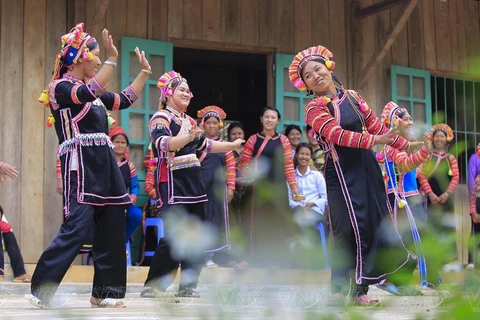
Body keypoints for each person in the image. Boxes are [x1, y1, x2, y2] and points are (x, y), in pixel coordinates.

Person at [28, 23, 151, 308]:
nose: (99, 61)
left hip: (105, 164)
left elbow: (123, 99)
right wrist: (112, 58)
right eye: (96, 57)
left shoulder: (92, 93)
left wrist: (144, 73)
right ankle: (41, 290)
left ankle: (105, 293)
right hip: (79, 164)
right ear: (81, 57)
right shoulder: (60, 87)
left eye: (101, 58)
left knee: (112, 226)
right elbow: (89, 92)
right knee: (77, 226)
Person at [288, 45, 413, 305]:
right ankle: (336, 289)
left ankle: (360, 292)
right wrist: (376, 139)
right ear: (306, 85)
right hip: (340, 173)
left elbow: (375, 125)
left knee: (368, 226)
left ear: (328, 67)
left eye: (318, 68)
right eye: (308, 76)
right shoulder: (314, 108)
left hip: (366, 168)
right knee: (345, 228)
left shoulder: (353, 96)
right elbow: (337, 135)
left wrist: (407, 145)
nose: (316, 76)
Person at [141, 71, 243, 299]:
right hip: (174, 182)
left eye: (188, 90)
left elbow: (206, 145)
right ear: (168, 93)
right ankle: (153, 285)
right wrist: (188, 137)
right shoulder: (161, 117)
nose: (188, 93)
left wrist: (232, 145)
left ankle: (188, 286)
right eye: (182, 90)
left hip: (194, 184)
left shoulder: (188, 122)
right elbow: (162, 144)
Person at [376, 102, 433, 294]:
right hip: (399, 199)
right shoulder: (392, 145)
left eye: (411, 119)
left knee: (416, 241)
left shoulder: (406, 144)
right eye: (406, 119)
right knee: (403, 241)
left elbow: (413, 172)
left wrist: (422, 151)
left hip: (411, 198)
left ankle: (403, 282)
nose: (411, 122)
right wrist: (424, 150)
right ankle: (388, 280)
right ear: (396, 122)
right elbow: (405, 166)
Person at [238, 106, 299, 268]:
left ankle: (275, 258)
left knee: (276, 221)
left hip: (277, 188)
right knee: (254, 222)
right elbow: (244, 164)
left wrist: (294, 188)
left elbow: (288, 166)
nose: (269, 120)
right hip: (256, 188)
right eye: (267, 117)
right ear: (261, 119)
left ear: (278, 121)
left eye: (273, 117)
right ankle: (250, 257)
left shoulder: (283, 141)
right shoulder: (252, 140)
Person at [197, 106, 236, 267]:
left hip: (218, 189)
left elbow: (231, 167)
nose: (212, 126)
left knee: (216, 221)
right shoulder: (198, 144)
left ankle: (212, 257)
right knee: (201, 219)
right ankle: (198, 256)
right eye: (209, 123)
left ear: (219, 125)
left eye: (215, 123)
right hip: (200, 188)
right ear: (203, 124)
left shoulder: (225, 146)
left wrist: (231, 187)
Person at [417, 124, 459, 271]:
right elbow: (421, 176)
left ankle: (446, 260)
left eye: (442, 136)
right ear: (432, 138)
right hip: (430, 199)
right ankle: (429, 260)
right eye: (437, 136)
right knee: (430, 226)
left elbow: (456, 177)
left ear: (447, 138)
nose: (439, 139)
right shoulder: (427, 156)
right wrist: (431, 194)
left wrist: (446, 194)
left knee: (446, 227)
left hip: (445, 200)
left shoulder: (451, 158)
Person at [287, 143, 328, 268]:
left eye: (307, 154)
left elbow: (325, 197)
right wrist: (299, 206)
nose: (304, 157)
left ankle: (314, 261)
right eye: (301, 154)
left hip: (314, 209)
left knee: (307, 221)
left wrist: (310, 205)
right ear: (297, 155)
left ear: (310, 157)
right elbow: (288, 197)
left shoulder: (317, 176)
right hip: (297, 209)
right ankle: (296, 261)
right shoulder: (291, 176)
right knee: (293, 222)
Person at [109, 126, 142, 243]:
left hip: (124, 202)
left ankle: (122, 241)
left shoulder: (129, 165)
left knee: (136, 214)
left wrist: (131, 199)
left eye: (123, 142)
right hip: (105, 202)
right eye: (116, 142)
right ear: (110, 143)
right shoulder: (105, 162)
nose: (119, 145)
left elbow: (135, 186)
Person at [467, 142, 480, 270]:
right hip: (477, 209)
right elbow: (472, 195)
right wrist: (473, 211)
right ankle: (472, 260)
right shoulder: (477, 181)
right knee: (475, 234)